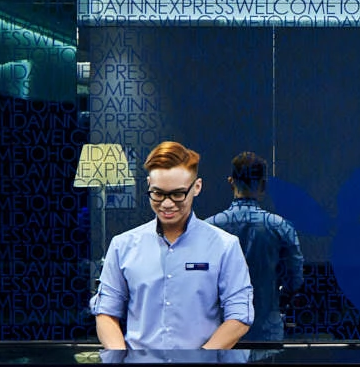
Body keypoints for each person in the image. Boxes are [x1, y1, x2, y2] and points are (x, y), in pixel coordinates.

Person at [91, 140, 252, 351]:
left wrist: (200, 360)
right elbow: (106, 312)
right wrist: (121, 362)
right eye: (158, 193)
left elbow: (240, 315)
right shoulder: (123, 245)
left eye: (177, 194)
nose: (167, 204)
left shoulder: (225, 246)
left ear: (196, 187)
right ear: (148, 185)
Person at [207, 151, 304, 342]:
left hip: (221, 335)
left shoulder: (209, 228)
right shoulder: (281, 227)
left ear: (231, 181)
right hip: (266, 332)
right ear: (263, 184)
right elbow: (295, 281)